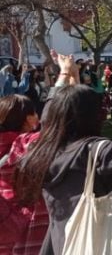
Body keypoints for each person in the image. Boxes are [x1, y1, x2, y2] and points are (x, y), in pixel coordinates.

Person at [13, 55, 112, 254]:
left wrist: (68, 75)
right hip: (100, 242)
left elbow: (55, 111)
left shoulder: (43, 149)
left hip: (64, 241)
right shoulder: (92, 153)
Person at [0, 95, 48, 254]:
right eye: (34, 113)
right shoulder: (29, 145)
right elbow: (58, 131)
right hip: (27, 225)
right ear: (28, 119)